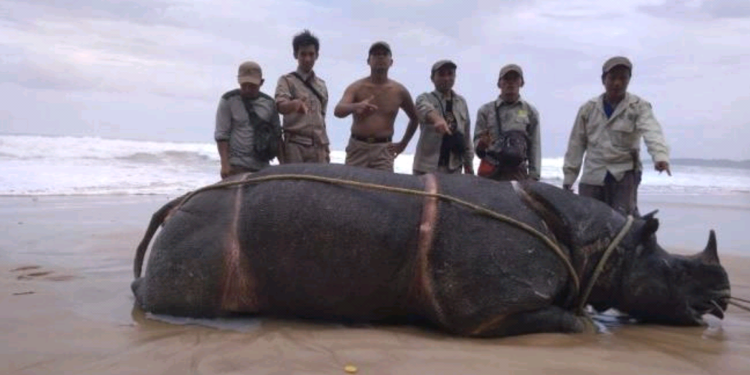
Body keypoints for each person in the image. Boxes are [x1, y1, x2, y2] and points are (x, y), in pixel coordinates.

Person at [562, 56, 671, 216]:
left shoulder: (638, 107)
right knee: (588, 221)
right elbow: (576, 145)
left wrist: (660, 157)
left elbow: (652, 131)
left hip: (623, 175)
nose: (617, 83)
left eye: (623, 78)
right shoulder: (588, 109)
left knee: (623, 224)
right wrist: (569, 178)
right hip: (593, 175)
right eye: (612, 78)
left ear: (629, 80)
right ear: (603, 79)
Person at [333, 41, 419, 172]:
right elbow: (338, 110)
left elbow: (415, 118)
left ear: (391, 61)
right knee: (351, 188)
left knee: (383, 189)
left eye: (384, 54)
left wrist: (403, 144)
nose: (380, 57)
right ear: (368, 61)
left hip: (384, 150)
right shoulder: (357, 87)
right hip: (358, 148)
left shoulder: (399, 91)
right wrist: (355, 106)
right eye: (376, 54)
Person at [473, 64, 541, 181]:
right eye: (506, 79)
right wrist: (482, 144)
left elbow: (534, 146)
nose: (511, 83)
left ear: (521, 83)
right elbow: (477, 146)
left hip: (517, 173)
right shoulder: (485, 111)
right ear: (499, 83)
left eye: (515, 79)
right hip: (490, 172)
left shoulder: (530, 112)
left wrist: (534, 176)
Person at [215, 61, 281, 179]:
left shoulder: (269, 103)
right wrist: (224, 164)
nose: (247, 89)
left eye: (252, 85)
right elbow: (222, 135)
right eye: (244, 85)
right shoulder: (228, 100)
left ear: (261, 83)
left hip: (262, 167)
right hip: (235, 166)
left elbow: (277, 136)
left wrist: (284, 167)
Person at [274, 29, 331, 164]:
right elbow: (280, 105)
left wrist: (326, 150)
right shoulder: (287, 81)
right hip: (295, 145)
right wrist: (294, 105)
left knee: (319, 184)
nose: (307, 59)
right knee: (293, 184)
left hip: (319, 147)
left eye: (311, 54)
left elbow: (322, 120)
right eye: (303, 54)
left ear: (317, 55)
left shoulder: (321, 86)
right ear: (295, 55)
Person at [412, 59, 475, 175]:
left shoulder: (461, 102)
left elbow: (466, 136)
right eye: (441, 74)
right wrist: (437, 119)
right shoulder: (424, 98)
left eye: (450, 74)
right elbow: (424, 108)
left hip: (454, 168)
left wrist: (469, 166)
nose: (446, 78)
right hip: (427, 168)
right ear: (432, 78)